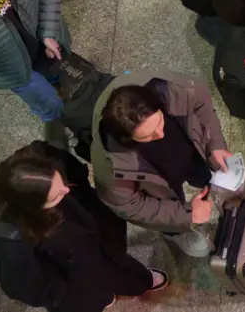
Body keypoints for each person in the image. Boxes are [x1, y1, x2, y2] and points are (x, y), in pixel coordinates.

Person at [0, 141, 167, 312]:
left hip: (92, 234)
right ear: (32, 208)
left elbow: (67, 165)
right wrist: (82, 293)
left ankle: (131, 284)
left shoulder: (37, 164)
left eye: (61, 182)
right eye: (54, 197)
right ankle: (113, 292)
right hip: (80, 270)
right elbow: (31, 288)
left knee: (116, 259)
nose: (66, 190)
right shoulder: (15, 243)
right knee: (107, 278)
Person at [90, 71, 234, 257]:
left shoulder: (172, 90)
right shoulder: (110, 166)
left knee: (201, 172)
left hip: (187, 150)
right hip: (155, 180)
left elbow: (202, 102)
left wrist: (215, 144)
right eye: (147, 136)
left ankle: (206, 184)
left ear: (159, 104)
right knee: (166, 206)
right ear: (127, 139)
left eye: (159, 121)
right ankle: (175, 232)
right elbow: (131, 206)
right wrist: (187, 215)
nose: (161, 134)